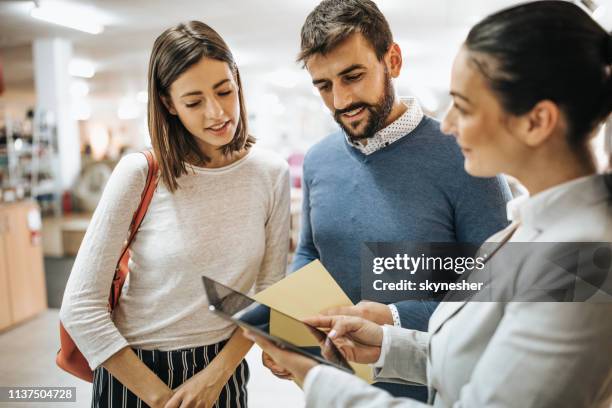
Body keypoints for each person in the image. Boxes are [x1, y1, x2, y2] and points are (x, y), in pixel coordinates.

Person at [249, 1, 612, 407]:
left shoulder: (585, 258)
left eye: (465, 105)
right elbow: (471, 347)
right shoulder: (527, 226)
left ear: (536, 121)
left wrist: (315, 378)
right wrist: (387, 343)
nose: (449, 124)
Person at [263, 0, 511, 401]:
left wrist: (394, 318)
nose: (340, 100)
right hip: (335, 385)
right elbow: (310, 251)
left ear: (392, 60)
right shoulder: (319, 160)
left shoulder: (465, 156)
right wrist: (286, 325)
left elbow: (497, 292)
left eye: (353, 76)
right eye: (324, 85)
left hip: (430, 387)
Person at [59, 21, 290, 408]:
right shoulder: (140, 173)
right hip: (133, 373)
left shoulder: (270, 174)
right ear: (168, 104)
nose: (217, 113)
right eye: (194, 101)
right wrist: (160, 397)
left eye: (224, 91)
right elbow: (80, 308)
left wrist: (214, 379)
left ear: (237, 82)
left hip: (223, 371)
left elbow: (267, 292)